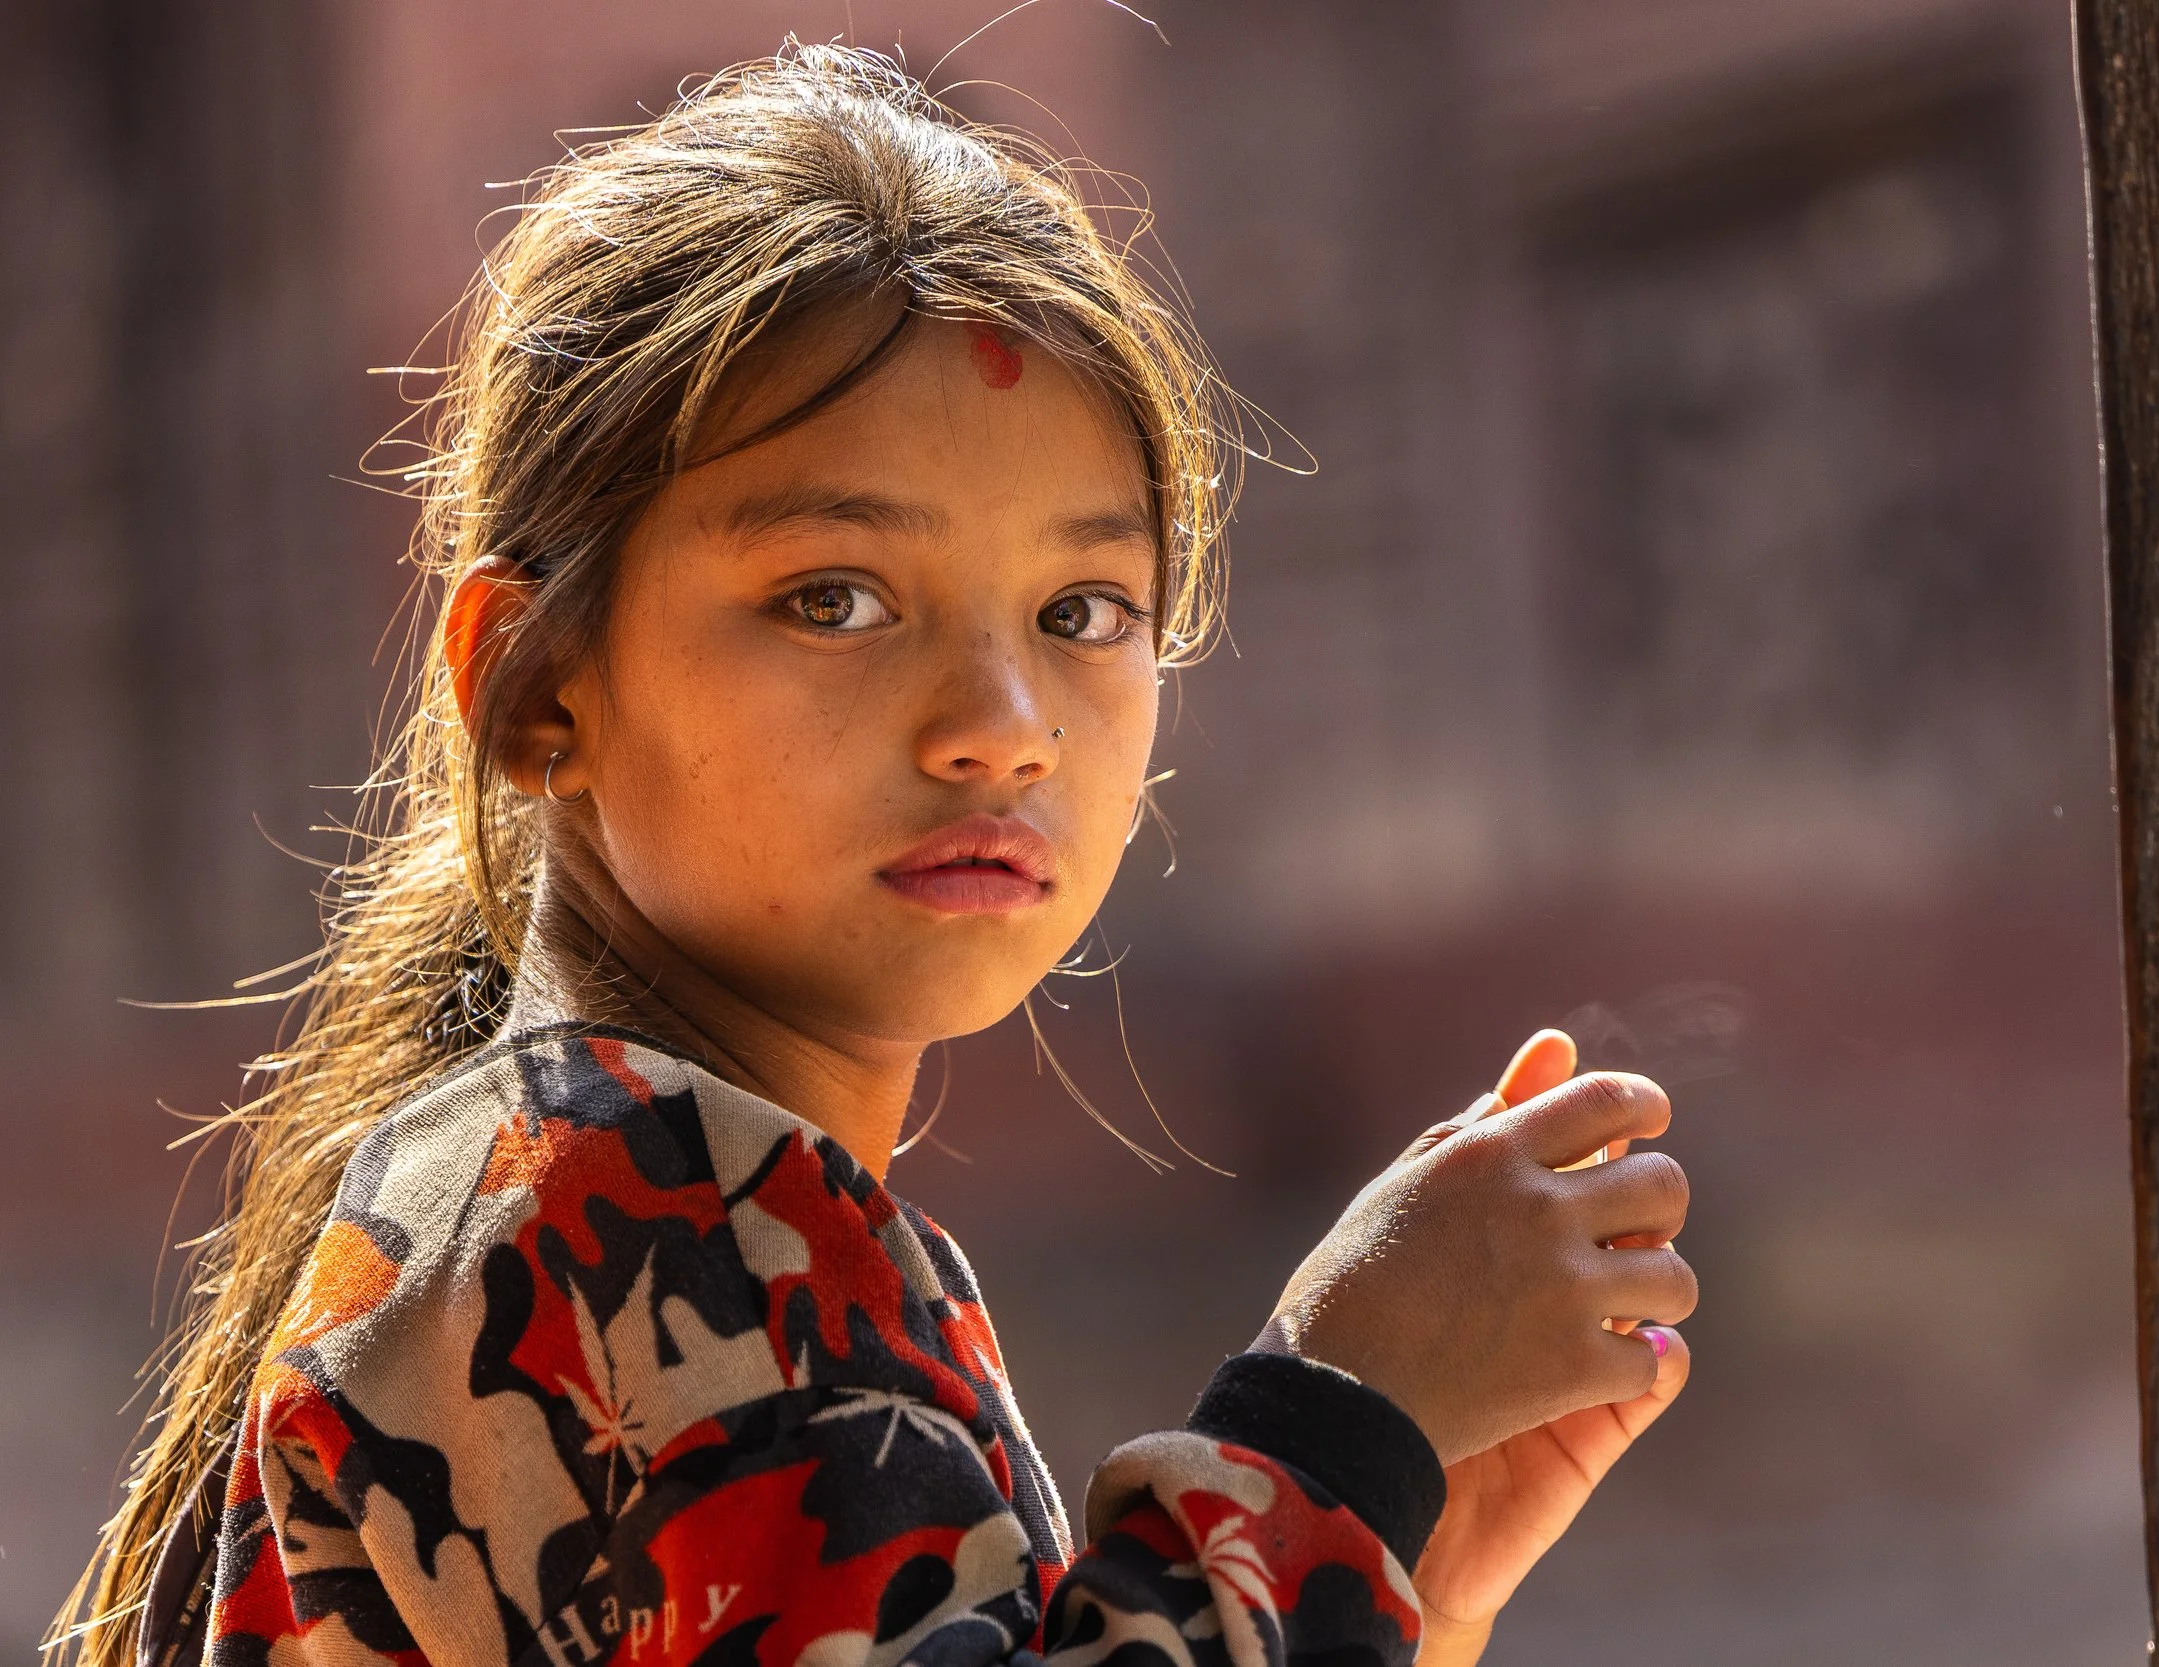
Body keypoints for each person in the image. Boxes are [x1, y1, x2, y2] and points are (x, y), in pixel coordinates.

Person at [56, 44, 1695, 1667]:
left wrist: (1393, 1577)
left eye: (1081, 613)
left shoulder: (611, 1185)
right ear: (536, 686)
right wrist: (1339, 1420)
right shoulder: (643, 1209)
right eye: (833, 599)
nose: (1001, 725)